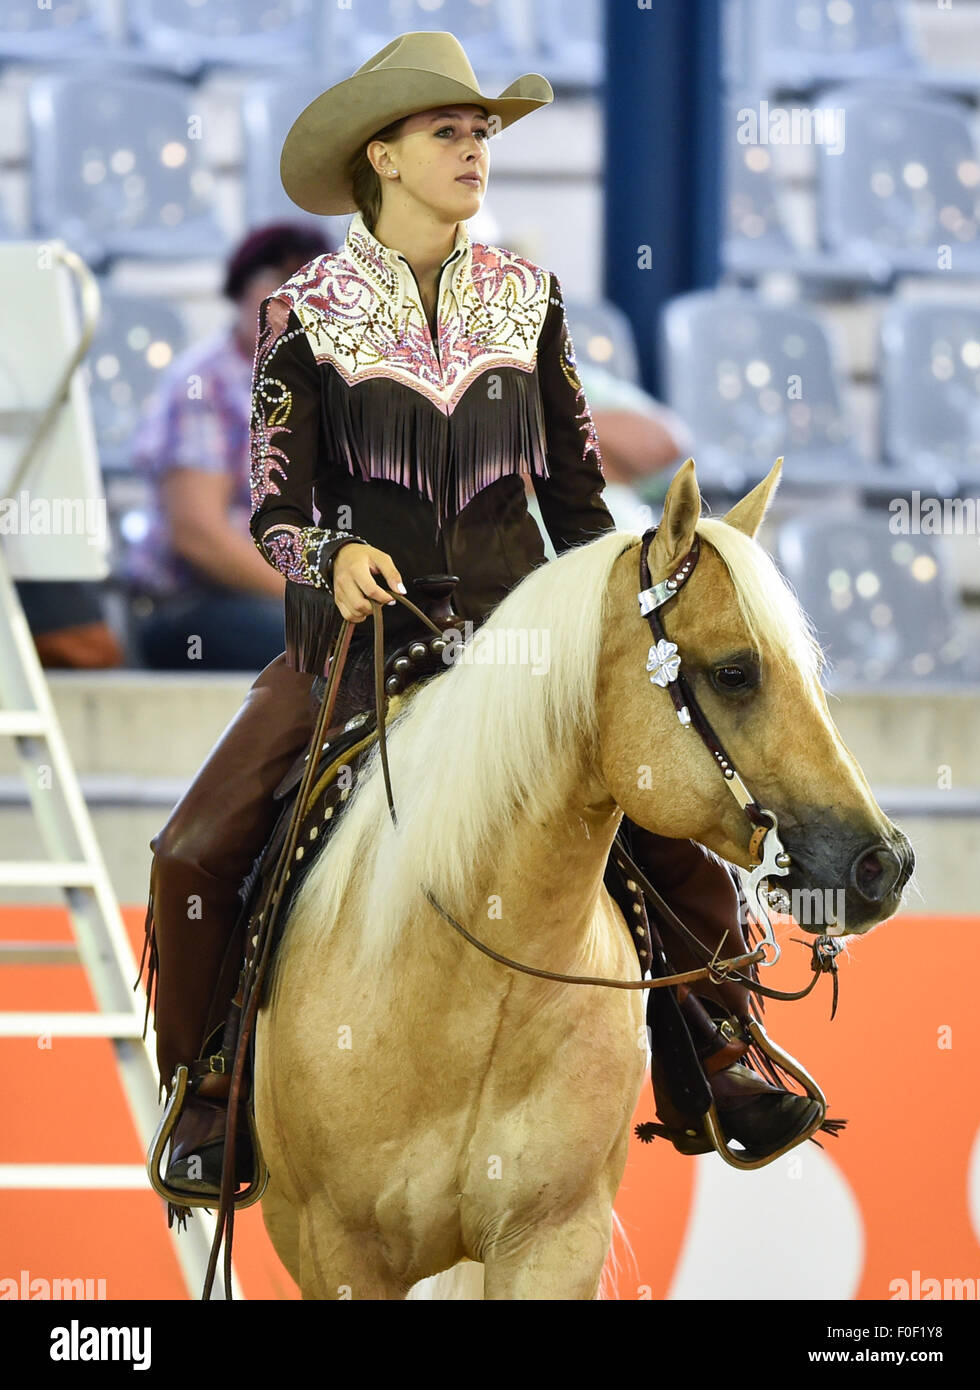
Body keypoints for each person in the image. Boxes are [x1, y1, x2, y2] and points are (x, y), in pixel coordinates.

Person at [142, 30, 832, 1199]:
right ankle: (211, 1089)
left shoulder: (533, 301)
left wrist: (630, 615)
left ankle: (721, 1044)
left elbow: (572, 495)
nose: (475, 151)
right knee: (193, 850)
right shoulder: (301, 314)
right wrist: (329, 552)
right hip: (357, 647)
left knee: (660, 789)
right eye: (448, 131)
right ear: (385, 156)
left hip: (524, 643)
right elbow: (271, 506)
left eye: (482, 133)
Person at [126, 223, 334, 670]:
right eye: (278, 284)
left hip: (288, 595)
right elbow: (198, 536)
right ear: (242, 290)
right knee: (326, 645)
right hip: (195, 607)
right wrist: (315, 595)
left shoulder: (325, 386)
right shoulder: (204, 384)